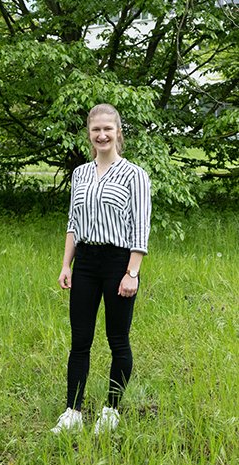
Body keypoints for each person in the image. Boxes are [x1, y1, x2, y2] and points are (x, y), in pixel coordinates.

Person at [51, 104, 151, 435]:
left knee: (117, 339)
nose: (102, 134)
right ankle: (73, 412)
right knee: (80, 340)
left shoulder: (135, 175)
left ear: (118, 132)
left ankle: (111, 410)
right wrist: (67, 264)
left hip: (119, 263)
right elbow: (72, 224)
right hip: (86, 263)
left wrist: (131, 273)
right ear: (89, 135)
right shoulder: (80, 174)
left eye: (108, 128)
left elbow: (141, 228)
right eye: (96, 130)